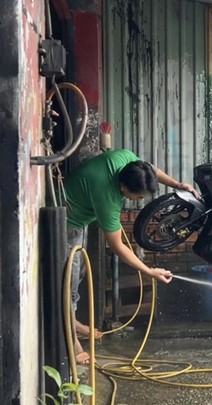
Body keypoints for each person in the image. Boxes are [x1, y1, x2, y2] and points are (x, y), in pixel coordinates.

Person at [63, 148, 199, 364]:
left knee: (78, 273)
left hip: (81, 212)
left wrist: (178, 184)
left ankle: (73, 322)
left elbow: (151, 171)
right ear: (123, 187)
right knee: (67, 286)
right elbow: (118, 246)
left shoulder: (125, 159)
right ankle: (72, 342)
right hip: (67, 221)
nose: (139, 201)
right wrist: (149, 272)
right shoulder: (108, 199)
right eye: (139, 196)